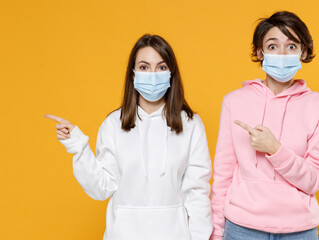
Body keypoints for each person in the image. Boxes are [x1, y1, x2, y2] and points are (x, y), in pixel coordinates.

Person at [45, 34, 213, 240]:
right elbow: (101, 188)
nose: (152, 74)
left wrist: (200, 237)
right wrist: (78, 146)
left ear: (171, 73)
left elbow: (197, 192)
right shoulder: (113, 125)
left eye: (161, 67)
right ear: (133, 74)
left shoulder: (190, 124)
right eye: (144, 67)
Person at [210, 11, 319, 240]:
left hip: (300, 231)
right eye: (273, 46)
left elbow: (315, 180)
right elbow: (223, 175)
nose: (282, 54)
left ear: (303, 52)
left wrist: (275, 149)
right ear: (260, 52)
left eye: (292, 46)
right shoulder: (234, 101)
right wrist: (217, 232)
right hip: (241, 229)